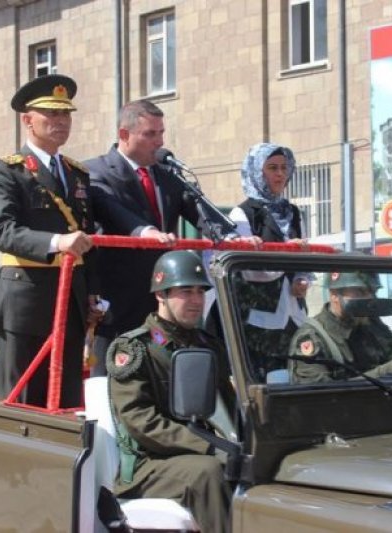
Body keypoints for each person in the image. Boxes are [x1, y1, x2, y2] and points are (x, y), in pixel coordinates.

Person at [88, 99, 257, 377]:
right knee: (114, 379)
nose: (159, 141)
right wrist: (145, 233)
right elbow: (113, 211)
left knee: (161, 378)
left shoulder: (167, 174)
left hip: (162, 299)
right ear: (123, 134)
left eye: (161, 133)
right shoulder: (97, 171)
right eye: (150, 134)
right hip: (119, 302)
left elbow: (198, 208)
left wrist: (229, 237)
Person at [0, 74, 101, 408]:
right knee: (21, 402)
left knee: (66, 400)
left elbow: (87, 237)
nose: (61, 121)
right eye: (51, 113)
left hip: (71, 301)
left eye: (66, 114)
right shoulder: (5, 171)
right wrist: (58, 241)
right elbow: (3, 231)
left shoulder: (77, 173)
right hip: (25, 301)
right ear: (27, 120)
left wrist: (91, 293)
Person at [107, 250, 233, 533]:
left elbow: (230, 403)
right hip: (149, 463)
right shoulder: (135, 348)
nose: (196, 301)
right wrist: (210, 447)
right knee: (208, 474)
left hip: (204, 451)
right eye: (186, 291)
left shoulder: (207, 343)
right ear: (161, 294)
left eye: (201, 292)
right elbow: (142, 421)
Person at [225, 142, 311, 379]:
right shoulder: (242, 214)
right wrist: (286, 255)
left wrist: (303, 279)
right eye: (272, 167)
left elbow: (306, 256)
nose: (280, 174)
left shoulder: (292, 212)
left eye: (284, 167)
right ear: (256, 171)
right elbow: (248, 270)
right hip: (260, 321)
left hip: (295, 317)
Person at [288, 271, 392, 383]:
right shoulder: (312, 338)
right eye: (360, 292)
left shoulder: (373, 326)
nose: (369, 299)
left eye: (373, 292)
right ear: (334, 295)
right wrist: (386, 371)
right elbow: (316, 397)